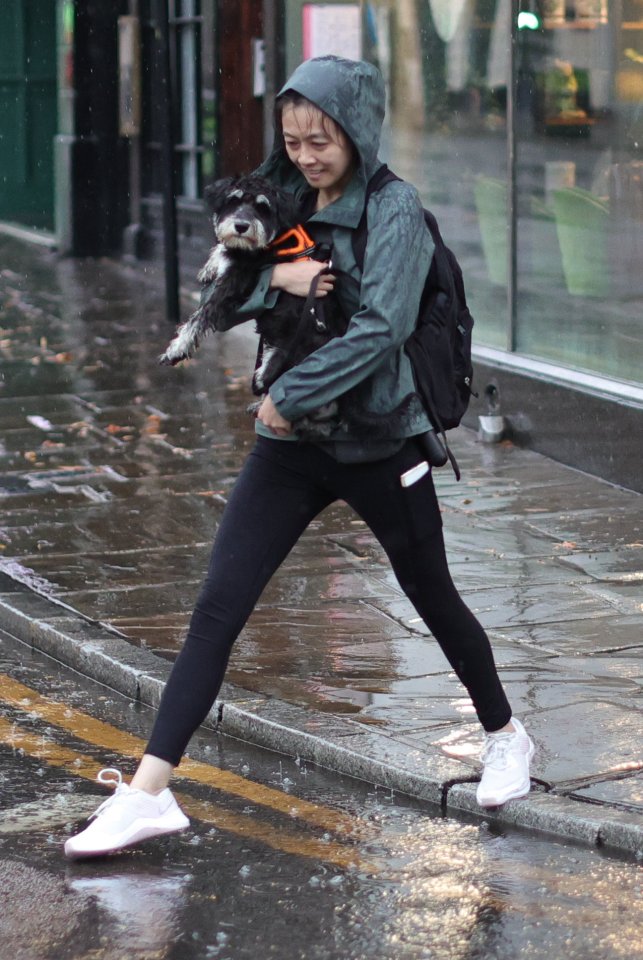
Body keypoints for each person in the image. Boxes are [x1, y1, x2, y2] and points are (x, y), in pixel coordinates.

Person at [64, 56, 534, 860]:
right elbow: (226, 291)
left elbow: (382, 324)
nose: (307, 155)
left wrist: (289, 391)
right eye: (292, 139)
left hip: (376, 443)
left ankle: (505, 734)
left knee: (431, 594)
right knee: (217, 609)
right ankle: (148, 793)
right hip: (287, 451)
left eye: (321, 140)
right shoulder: (277, 197)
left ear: (355, 131)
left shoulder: (393, 210)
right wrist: (276, 272)